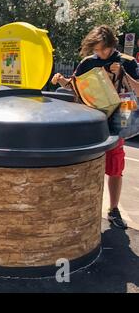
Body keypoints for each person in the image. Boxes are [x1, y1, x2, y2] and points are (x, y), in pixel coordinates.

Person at [52, 25, 139, 230]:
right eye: (96, 50)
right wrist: (62, 81)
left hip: (120, 116)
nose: (99, 53)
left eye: (103, 49)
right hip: (93, 117)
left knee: (115, 164)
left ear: (111, 45)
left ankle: (113, 209)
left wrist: (124, 74)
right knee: (89, 162)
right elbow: (76, 88)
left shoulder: (127, 62)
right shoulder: (87, 62)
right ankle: (85, 207)